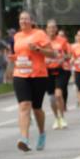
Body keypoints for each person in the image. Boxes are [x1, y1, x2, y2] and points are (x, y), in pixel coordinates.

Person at [10, 11, 54, 151]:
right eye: (21, 19)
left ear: (32, 21)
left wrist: (38, 49)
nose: (23, 21)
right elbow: (17, 54)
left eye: (26, 19)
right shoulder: (16, 36)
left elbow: (51, 53)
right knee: (24, 105)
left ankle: (42, 134)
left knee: (37, 108)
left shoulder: (39, 34)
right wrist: (13, 58)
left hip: (38, 75)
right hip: (20, 74)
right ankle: (24, 138)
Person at [45, 20, 71, 129]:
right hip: (47, 72)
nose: (52, 29)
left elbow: (69, 55)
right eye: (50, 27)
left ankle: (62, 117)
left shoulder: (62, 41)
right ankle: (56, 118)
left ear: (56, 29)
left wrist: (62, 58)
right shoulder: (43, 41)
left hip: (61, 71)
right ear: (46, 29)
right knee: (51, 98)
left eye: (54, 27)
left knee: (58, 95)